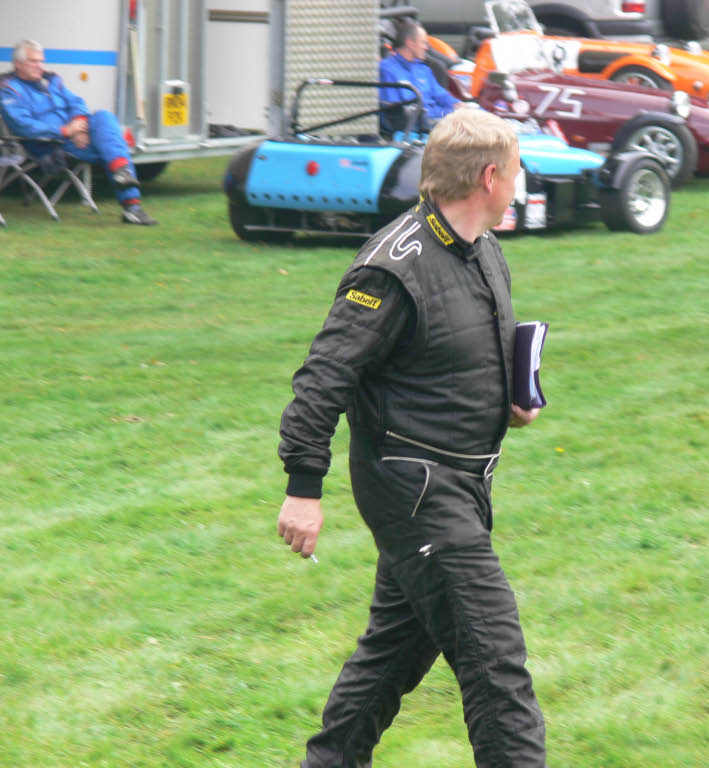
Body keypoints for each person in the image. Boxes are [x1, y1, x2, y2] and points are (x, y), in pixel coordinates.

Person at [276, 109, 547, 768]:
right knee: (495, 659)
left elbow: (449, 356)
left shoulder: (483, 250)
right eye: (517, 171)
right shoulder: (392, 269)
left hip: (463, 482)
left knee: (395, 651)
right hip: (415, 489)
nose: (519, 183)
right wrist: (303, 488)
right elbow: (324, 377)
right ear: (489, 178)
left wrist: (510, 403)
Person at [0, 40, 157, 226]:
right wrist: (66, 131)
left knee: (104, 116)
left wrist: (79, 123)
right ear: (18, 64)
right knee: (114, 147)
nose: (40, 66)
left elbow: (77, 102)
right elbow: (22, 126)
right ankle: (131, 205)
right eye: (33, 61)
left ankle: (122, 173)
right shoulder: (10, 90)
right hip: (51, 144)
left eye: (41, 61)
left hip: (75, 134)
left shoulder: (51, 81)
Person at [379, 20, 460, 133]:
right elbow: (397, 113)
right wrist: (447, 113)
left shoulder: (423, 69)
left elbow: (441, 95)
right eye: (423, 43)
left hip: (434, 121)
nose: (426, 48)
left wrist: (458, 105)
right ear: (410, 43)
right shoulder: (387, 69)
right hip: (414, 128)